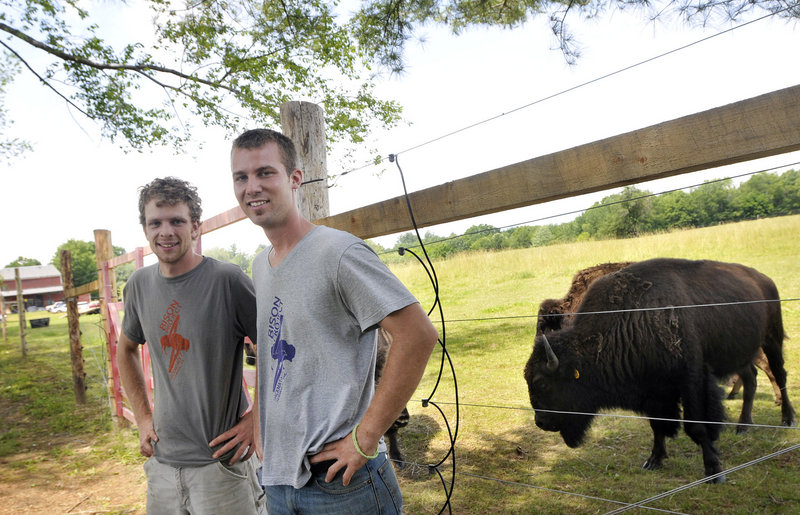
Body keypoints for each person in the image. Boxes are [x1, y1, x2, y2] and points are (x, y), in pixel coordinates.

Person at [231, 128, 439, 514]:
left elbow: (417, 335)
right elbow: (272, 354)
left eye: (265, 173)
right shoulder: (261, 265)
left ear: (294, 179)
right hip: (279, 479)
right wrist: (261, 424)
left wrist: (366, 436)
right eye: (241, 177)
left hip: (343, 485)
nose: (252, 187)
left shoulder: (338, 253)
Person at [117, 177, 266, 514]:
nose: (166, 231)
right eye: (156, 222)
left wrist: (257, 418)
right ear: (145, 229)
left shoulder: (227, 281)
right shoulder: (139, 285)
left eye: (177, 221)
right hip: (163, 464)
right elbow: (125, 350)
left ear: (196, 227)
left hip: (221, 467)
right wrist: (142, 418)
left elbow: (279, 351)